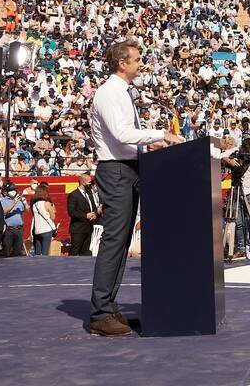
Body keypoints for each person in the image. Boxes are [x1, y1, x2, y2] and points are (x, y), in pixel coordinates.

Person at [86, 39, 184, 337]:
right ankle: (100, 312)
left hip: (127, 166)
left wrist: (150, 142)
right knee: (115, 239)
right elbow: (120, 132)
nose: (141, 64)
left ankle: (109, 307)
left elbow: (124, 137)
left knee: (123, 239)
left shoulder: (122, 93)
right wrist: (161, 134)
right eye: (137, 59)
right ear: (122, 63)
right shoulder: (108, 93)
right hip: (116, 170)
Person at [67, 172, 101, 257]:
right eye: (89, 182)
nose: (90, 184)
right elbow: (71, 212)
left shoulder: (89, 194)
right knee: (74, 251)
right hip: (78, 229)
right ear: (82, 182)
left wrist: (95, 214)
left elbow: (93, 207)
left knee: (85, 251)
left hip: (88, 227)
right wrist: (85, 216)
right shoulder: (73, 195)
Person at [0, 183, 26, 257]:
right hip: (9, 230)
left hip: (19, 229)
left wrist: (25, 203)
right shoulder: (3, 200)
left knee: (17, 251)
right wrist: (14, 202)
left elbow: (26, 211)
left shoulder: (19, 200)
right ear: (7, 191)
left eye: (14, 189)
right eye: (12, 190)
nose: (14, 191)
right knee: (6, 251)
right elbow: (4, 212)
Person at [30, 182, 57, 257]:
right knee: (45, 253)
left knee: (37, 253)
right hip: (46, 230)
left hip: (37, 231)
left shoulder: (34, 204)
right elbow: (53, 217)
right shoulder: (47, 203)